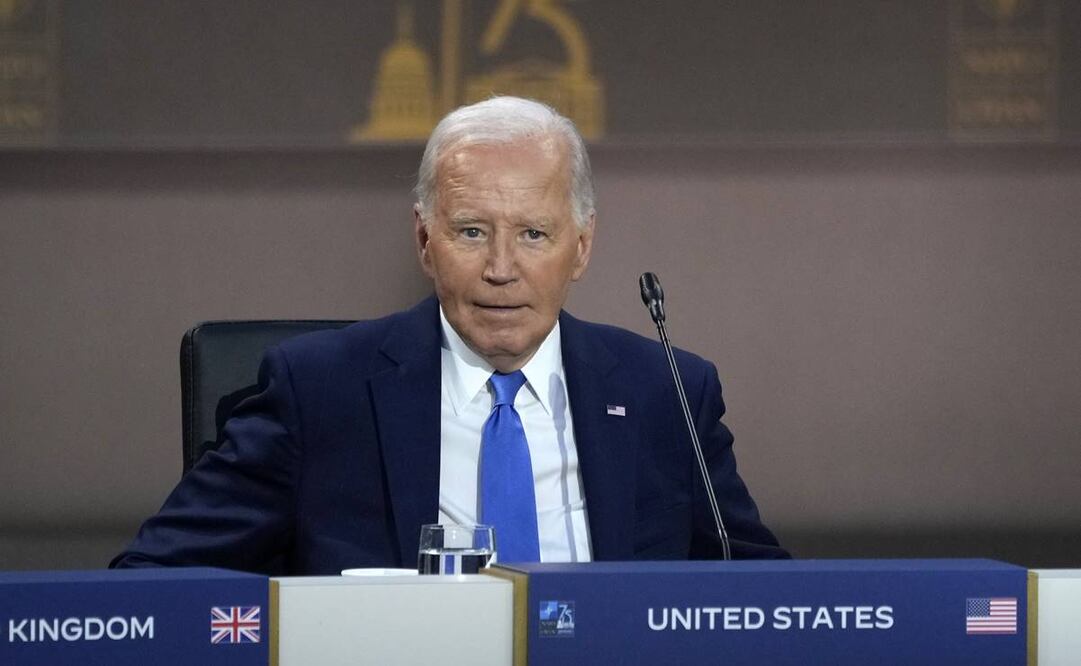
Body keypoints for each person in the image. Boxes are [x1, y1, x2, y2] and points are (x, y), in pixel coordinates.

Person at [112, 96, 787, 574]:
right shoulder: (317, 391)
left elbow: (766, 602)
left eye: (532, 234)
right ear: (423, 240)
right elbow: (152, 584)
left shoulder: (665, 391)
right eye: (470, 232)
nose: (500, 269)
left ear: (580, 248)